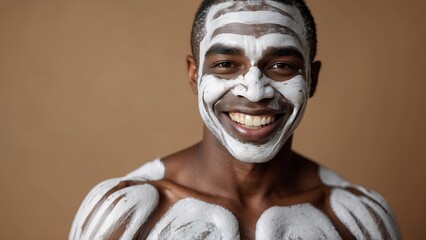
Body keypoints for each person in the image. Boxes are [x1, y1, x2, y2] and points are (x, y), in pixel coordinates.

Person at [70, 0, 401, 239]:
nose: (255, 92)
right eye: (226, 64)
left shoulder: (359, 220)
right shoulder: (126, 216)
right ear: (194, 73)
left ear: (311, 79)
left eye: (281, 65)